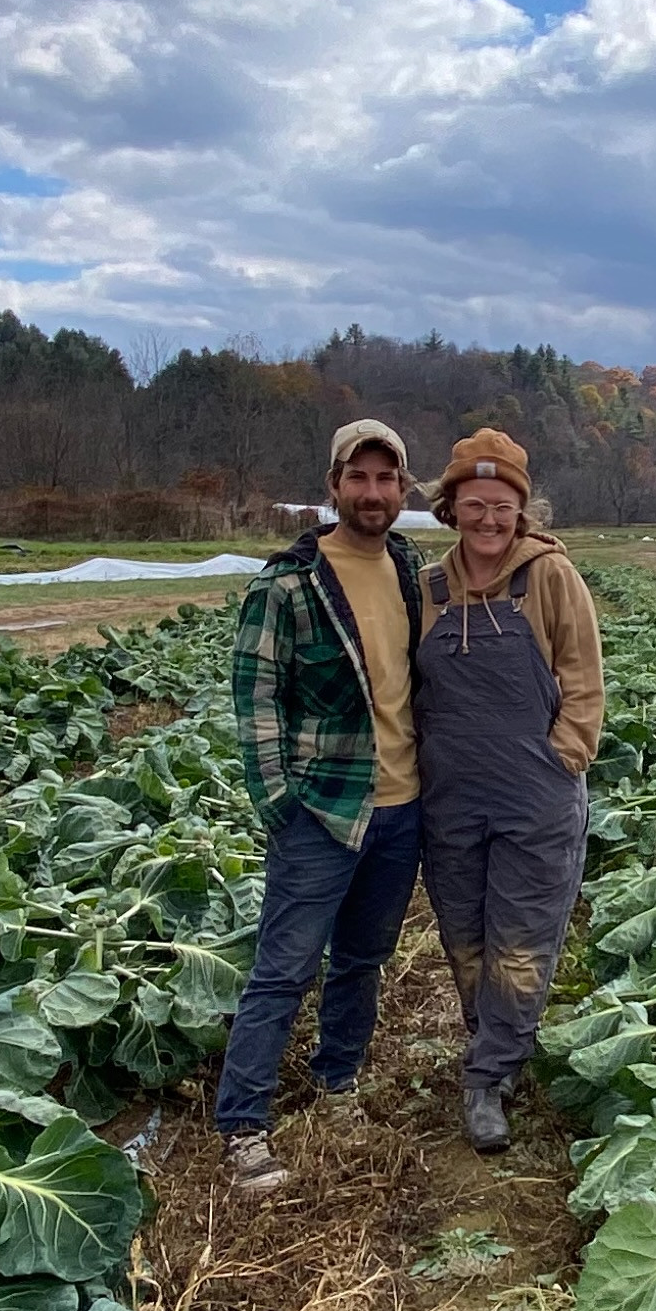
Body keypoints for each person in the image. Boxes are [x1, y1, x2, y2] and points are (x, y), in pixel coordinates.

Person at [216, 418, 428, 1194]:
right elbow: (256, 699)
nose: (373, 494)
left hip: (401, 807)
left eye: (387, 480)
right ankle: (243, 1125)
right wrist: (279, 802)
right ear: (334, 486)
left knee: (363, 961)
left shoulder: (408, 567)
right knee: (284, 968)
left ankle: (338, 1083)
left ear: (402, 490)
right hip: (323, 810)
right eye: (358, 478)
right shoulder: (287, 585)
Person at [413, 427, 601, 1153]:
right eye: (474, 504)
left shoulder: (549, 578)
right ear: (450, 507)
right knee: (465, 939)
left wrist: (564, 756)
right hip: (451, 796)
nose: (488, 520)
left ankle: (489, 1077)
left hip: (534, 795)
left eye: (502, 507)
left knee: (519, 945)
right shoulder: (428, 587)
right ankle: (494, 1040)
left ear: (522, 512)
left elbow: (583, 681)